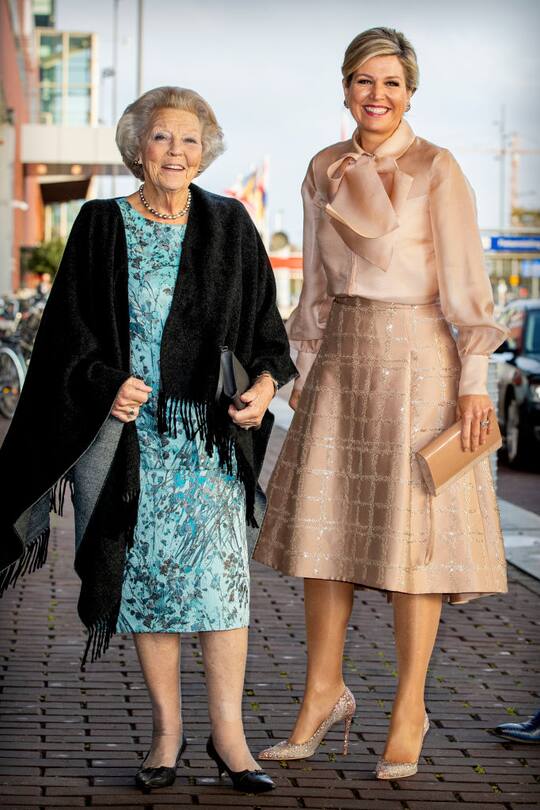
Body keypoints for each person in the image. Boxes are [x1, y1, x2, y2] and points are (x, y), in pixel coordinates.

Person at [0, 86, 297, 794]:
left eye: (190, 140)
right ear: (137, 147)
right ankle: (167, 735)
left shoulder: (231, 224)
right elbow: (66, 338)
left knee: (222, 589)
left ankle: (230, 739)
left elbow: (267, 336)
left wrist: (262, 388)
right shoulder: (101, 225)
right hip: (133, 442)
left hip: (210, 443)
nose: (176, 152)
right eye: (162, 137)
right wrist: (106, 381)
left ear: (206, 150)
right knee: (148, 587)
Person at [254, 27, 508, 779]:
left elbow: (468, 289)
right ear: (344, 88)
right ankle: (322, 693)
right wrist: (303, 369)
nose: (378, 95)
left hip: (423, 364)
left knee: (410, 546)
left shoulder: (439, 167)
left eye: (392, 83)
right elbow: (316, 293)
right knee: (324, 541)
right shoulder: (322, 169)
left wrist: (471, 385)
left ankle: (409, 707)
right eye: (365, 80)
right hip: (344, 361)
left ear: (410, 92)